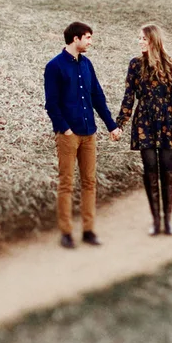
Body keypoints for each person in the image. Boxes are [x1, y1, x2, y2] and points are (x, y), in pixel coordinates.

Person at [43, 20, 117, 247]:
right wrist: (64, 129)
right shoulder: (54, 66)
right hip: (68, 134)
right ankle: (66, 233)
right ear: (75, 39)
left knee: (89, 182)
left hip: (89, 133)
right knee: (66, 183)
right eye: (88, 38)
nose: (90, 42)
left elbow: (97, 97)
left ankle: (88, 231)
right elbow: (51, 104)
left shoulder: (87, 65)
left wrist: (111, 125)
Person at [116, 23, 172, 236]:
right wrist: (119, 124)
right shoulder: (135, 64)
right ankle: (156, 221)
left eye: (143, 38)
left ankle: (168, 220)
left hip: (165, 119)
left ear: (153, 40)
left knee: (167, 167)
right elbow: (129, 95)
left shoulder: (168, 63)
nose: (140, 41)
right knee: (150, 167)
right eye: (139, 38)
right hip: (144, 119)